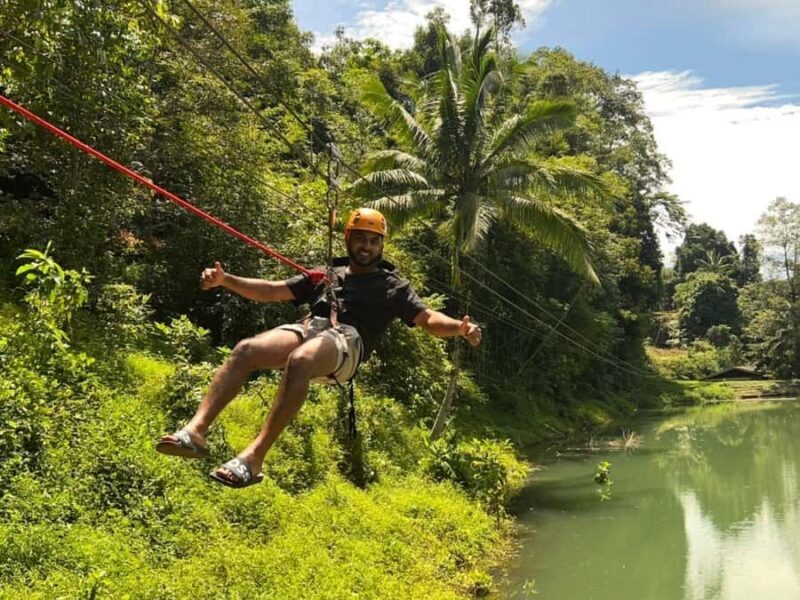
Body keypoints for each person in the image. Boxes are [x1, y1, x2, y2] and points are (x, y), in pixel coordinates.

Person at [155, 208, 482, 488]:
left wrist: (459, 328)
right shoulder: (326, 275)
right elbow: (271, 291)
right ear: (348, 239)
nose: (366, 246)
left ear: (381, 245)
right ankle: (195, 432)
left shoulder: (392, 286)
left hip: (347, 343)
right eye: (360, 238)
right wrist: (226, 280)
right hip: (311, 328)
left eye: (373, 241)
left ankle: (254, 459)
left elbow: (427, 319)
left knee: (301, 359)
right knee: (246, 350)